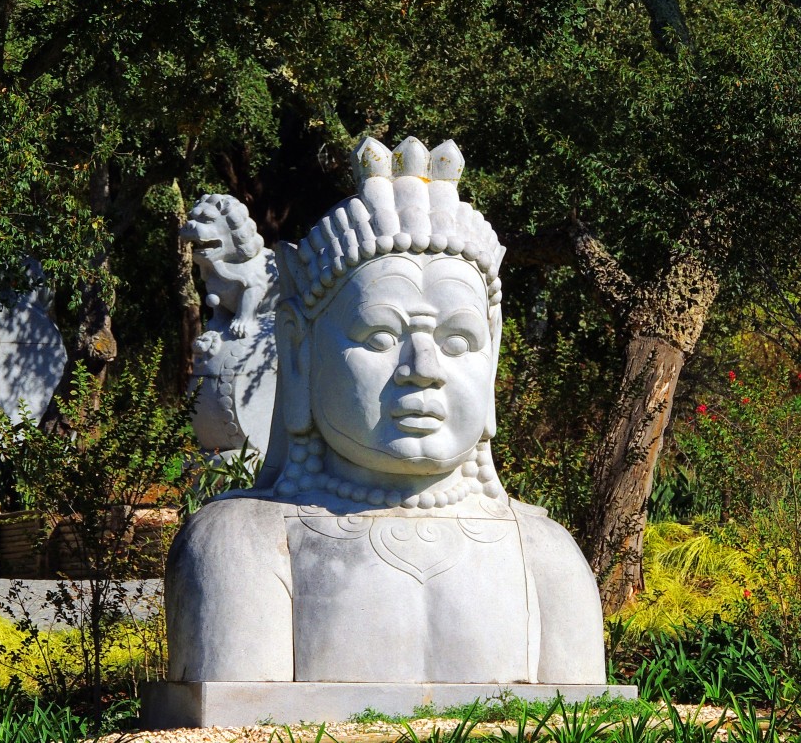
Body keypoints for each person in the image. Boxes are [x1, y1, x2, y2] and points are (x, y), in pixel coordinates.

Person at [165, 137, 605, 685]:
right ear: (298, 353)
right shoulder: (242, 546)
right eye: (379, 334)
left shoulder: (547, 558)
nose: (423, 367)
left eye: (459, 340)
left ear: (491, 359)